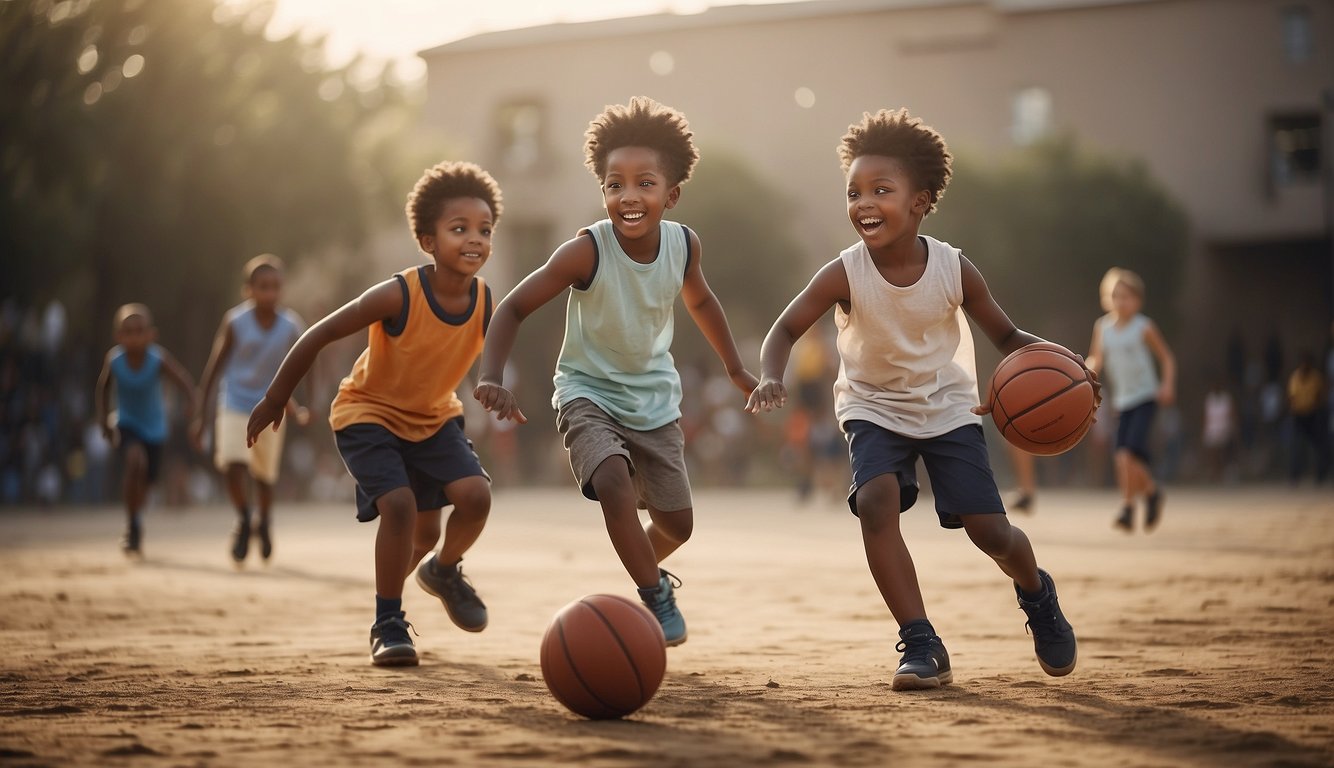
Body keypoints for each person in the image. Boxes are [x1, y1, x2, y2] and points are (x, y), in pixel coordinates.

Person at [745, 108, 1093, 690]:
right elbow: (783, 329)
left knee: (991, 532)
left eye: (881, 189)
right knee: (877, 502)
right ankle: (921, 641)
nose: (863, 202)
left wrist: (1075, 367)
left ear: (920, 202)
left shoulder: (955, 269)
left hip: (947, 406)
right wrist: (770, 374)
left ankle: (1036, 592)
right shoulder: (844, 273)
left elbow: (1008, 339)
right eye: (853, 191)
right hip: (871, 405)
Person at [473, 97, 758, 647]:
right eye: (614, 184)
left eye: (644, 183)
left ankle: (642, 572)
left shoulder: (683, 245)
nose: (627, 196)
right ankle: (655, 594)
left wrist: (735, 367)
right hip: (587, 393)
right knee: (611, 482)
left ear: (671, 195)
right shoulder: (587, 251)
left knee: (678, 525)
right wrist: (493, 374)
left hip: (654, 401)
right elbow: (510, 307)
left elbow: (701, 304)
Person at [247, 161, 503, 667]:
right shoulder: (399, 293)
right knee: (403, 512)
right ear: (428, 240)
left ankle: (443, 570)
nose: (474, 239)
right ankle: (387, 622)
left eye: (484, 230)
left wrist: (493, 387)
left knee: (471, 502)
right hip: (369, 414)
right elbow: (318, 334)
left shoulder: (484, 302)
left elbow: (476, 360)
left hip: (433, 419)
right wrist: (277, 397)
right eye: (459, 229)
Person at [193, 255, 309, 565]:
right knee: (233, 465)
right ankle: (245, 520)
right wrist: (201, 416)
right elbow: (214, 367)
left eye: (275, 287)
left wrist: (301, 404)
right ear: (249, 290)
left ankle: (265, 521)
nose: (269, 293)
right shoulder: (235, 322)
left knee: (264, 477)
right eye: (262, 287)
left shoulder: (291, 326)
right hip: (234, 402)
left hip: (272, 406)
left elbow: (306, 365)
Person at [95, 304, 197, 556]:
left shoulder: (157, 359)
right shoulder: (115, 360)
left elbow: (183, 380)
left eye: (140, 330)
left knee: (148, 482)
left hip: (155, 429)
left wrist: (193, 406)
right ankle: (132, 525)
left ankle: (136, 519)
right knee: (134, 461)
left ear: (151, 334)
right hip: (126, 423)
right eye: (128, 331)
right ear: (119, 336)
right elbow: (103, 389)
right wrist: (104, 421)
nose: (134, 336)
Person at [1085, 267, 1176, 532]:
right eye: (1115, 296)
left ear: (1137, 300)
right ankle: (1151, 493)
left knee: (1128, 451)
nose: (1121, 301)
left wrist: (1167, 384)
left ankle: (1127, 507)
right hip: (1122, 401)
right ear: (1106, 298)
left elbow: (1167, 358)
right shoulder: (1102, 328)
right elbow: (1096, 359)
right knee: (1122, 457)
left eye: (1126, 296)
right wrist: (1083, 375)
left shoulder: (1143, 327)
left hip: (1146, 396)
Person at [1286, 352, 1329, 484]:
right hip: (1299, 416)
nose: (1304, 365)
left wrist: (1317, 411)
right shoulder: (1295, 377)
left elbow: (1320, 395)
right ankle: (1295, 477)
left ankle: (1320, 475)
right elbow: (1291, 397)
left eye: (1307, 362)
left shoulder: (1316, 377)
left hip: (1313, 415)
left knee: (1319, 447)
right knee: (1297, 447)